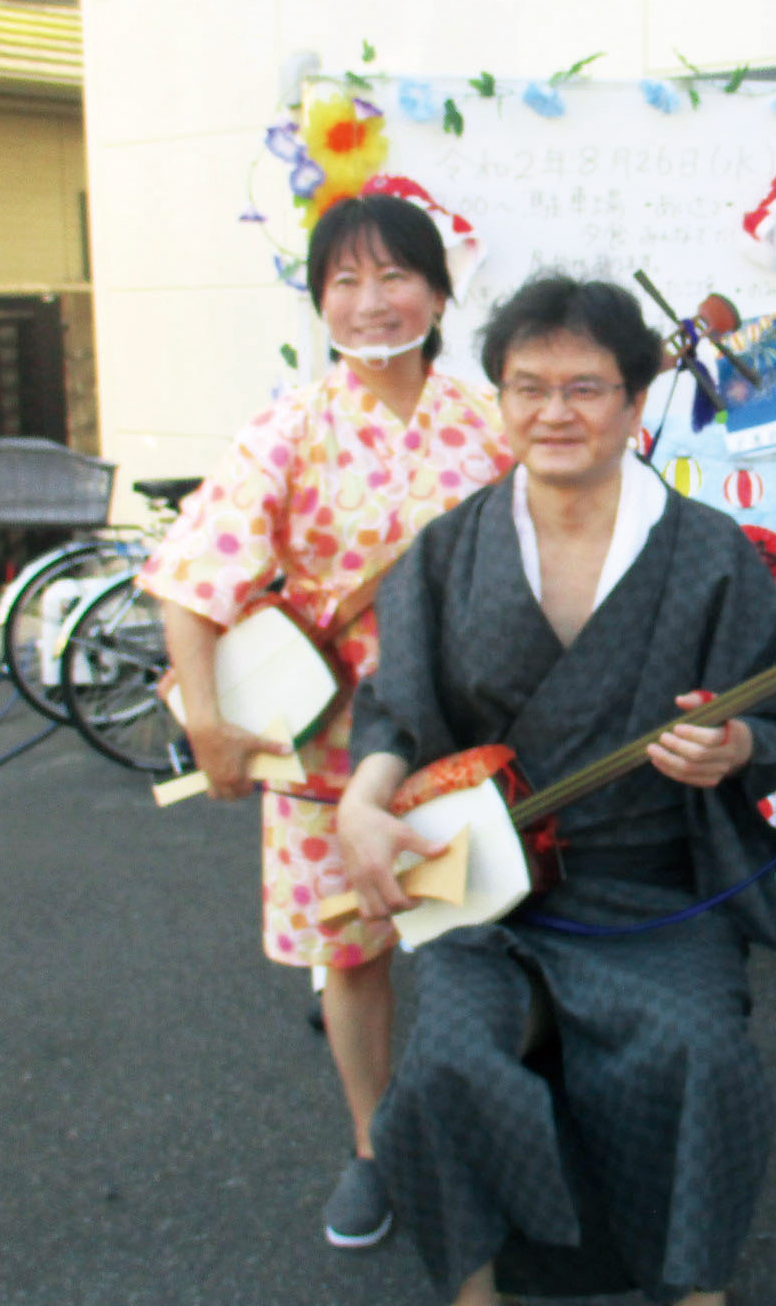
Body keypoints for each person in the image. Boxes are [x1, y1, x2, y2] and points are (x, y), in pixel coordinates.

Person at [334, 276, 776, 1306]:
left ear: (636, 399)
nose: (553, 411)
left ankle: (690, 1286)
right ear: (499, 398)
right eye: (526, 386)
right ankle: (475, 1288)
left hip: (652, 885)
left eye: (584, 386)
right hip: (489, 887)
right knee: (444, 1067)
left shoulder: (706, 553)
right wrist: (362, 799)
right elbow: (394, 703)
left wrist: (734, 744)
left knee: (697, 1054)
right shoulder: (450, 547)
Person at [140, 194, 512, 1249]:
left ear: (439, 293)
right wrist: (207, 723)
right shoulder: (290, 424)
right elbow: (191, 574)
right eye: (342, 281)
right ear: (319, 304)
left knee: (489, 931)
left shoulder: (491, 419)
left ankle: (500, 1131)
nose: (370, 300)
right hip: (325, 750)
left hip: (465, 739)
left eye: (394, 275)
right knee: (353, 955)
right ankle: (373, 1145)